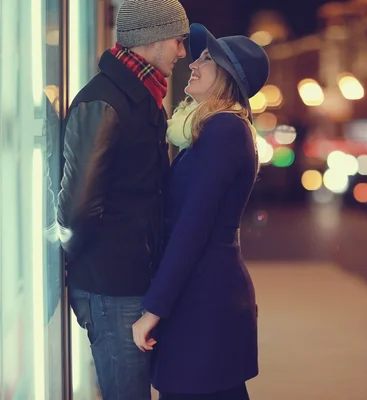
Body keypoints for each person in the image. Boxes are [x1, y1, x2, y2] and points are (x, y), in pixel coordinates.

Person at [56, 1, 189, 398]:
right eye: (178, 41)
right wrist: (86, 261)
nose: (182, 53)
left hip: (130, 280)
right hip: (111, 286)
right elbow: (78, 207)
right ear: (150, 39)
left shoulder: (139, 95)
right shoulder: (105, 101)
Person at [132, 23, 270, 399]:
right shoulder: (210, 130)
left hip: (205, 303)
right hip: (203, 296)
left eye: (207, 60)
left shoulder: (224, 130)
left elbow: (193, 227)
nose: (194, 64)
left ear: (226, 78)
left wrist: (153, 310)